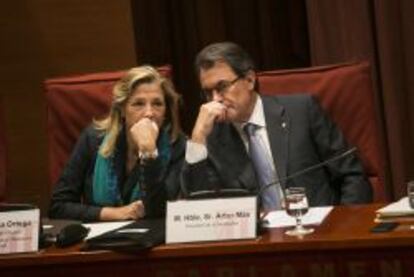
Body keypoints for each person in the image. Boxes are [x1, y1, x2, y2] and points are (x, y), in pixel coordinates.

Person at [181, 42, 372, 211]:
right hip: (256, 244)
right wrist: (197, 139)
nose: (215, 99)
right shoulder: (213, 137)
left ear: (249, 79)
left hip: (317, 235)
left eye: (222, 86)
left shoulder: (302, 111)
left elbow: (352, 175)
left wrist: (342, 230)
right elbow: (197, 206)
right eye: (208, 92)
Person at [49, 66, 185, 222]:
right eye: (138, 104)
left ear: (166, 110)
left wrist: (149, 153)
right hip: (99, 241)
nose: (149, 113)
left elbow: (160, 212)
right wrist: (116, 213)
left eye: (157, 104)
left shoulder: (177, 145)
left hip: (151, 241)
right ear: (122, 109)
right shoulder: (94, 138)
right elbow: (58, 206)